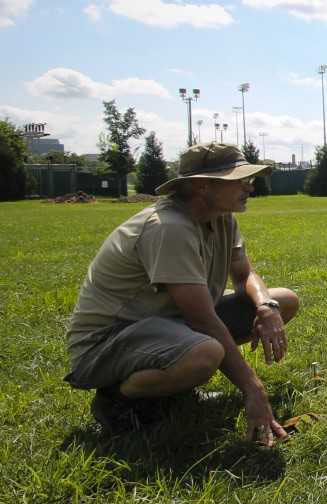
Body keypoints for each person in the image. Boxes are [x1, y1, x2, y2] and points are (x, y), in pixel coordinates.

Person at [63, 143, 301, 445]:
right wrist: (254, 390)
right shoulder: (169, 227)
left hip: (168, 325)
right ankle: (117, 398)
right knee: (207, 351)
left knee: (284, 300)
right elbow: (202, 319)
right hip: (106, 344)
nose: (249, 186)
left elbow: (244, 275)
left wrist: (267, 307)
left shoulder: (222, 216)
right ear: (202, 185)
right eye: (238, 179)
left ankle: (172, 382)